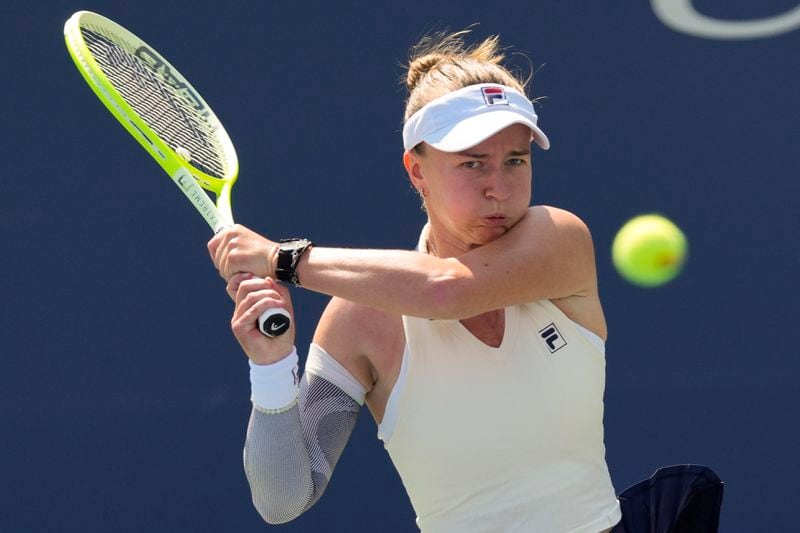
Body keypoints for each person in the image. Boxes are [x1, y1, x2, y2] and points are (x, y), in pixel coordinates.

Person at [208, 30, 623, 532]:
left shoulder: (559, 240)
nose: (500, 187)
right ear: (416, 172)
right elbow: (285, 498)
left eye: (516, 160)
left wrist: (281, 259)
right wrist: (271, 367)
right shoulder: (361, 319)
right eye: (472, 164)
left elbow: (446, 289)